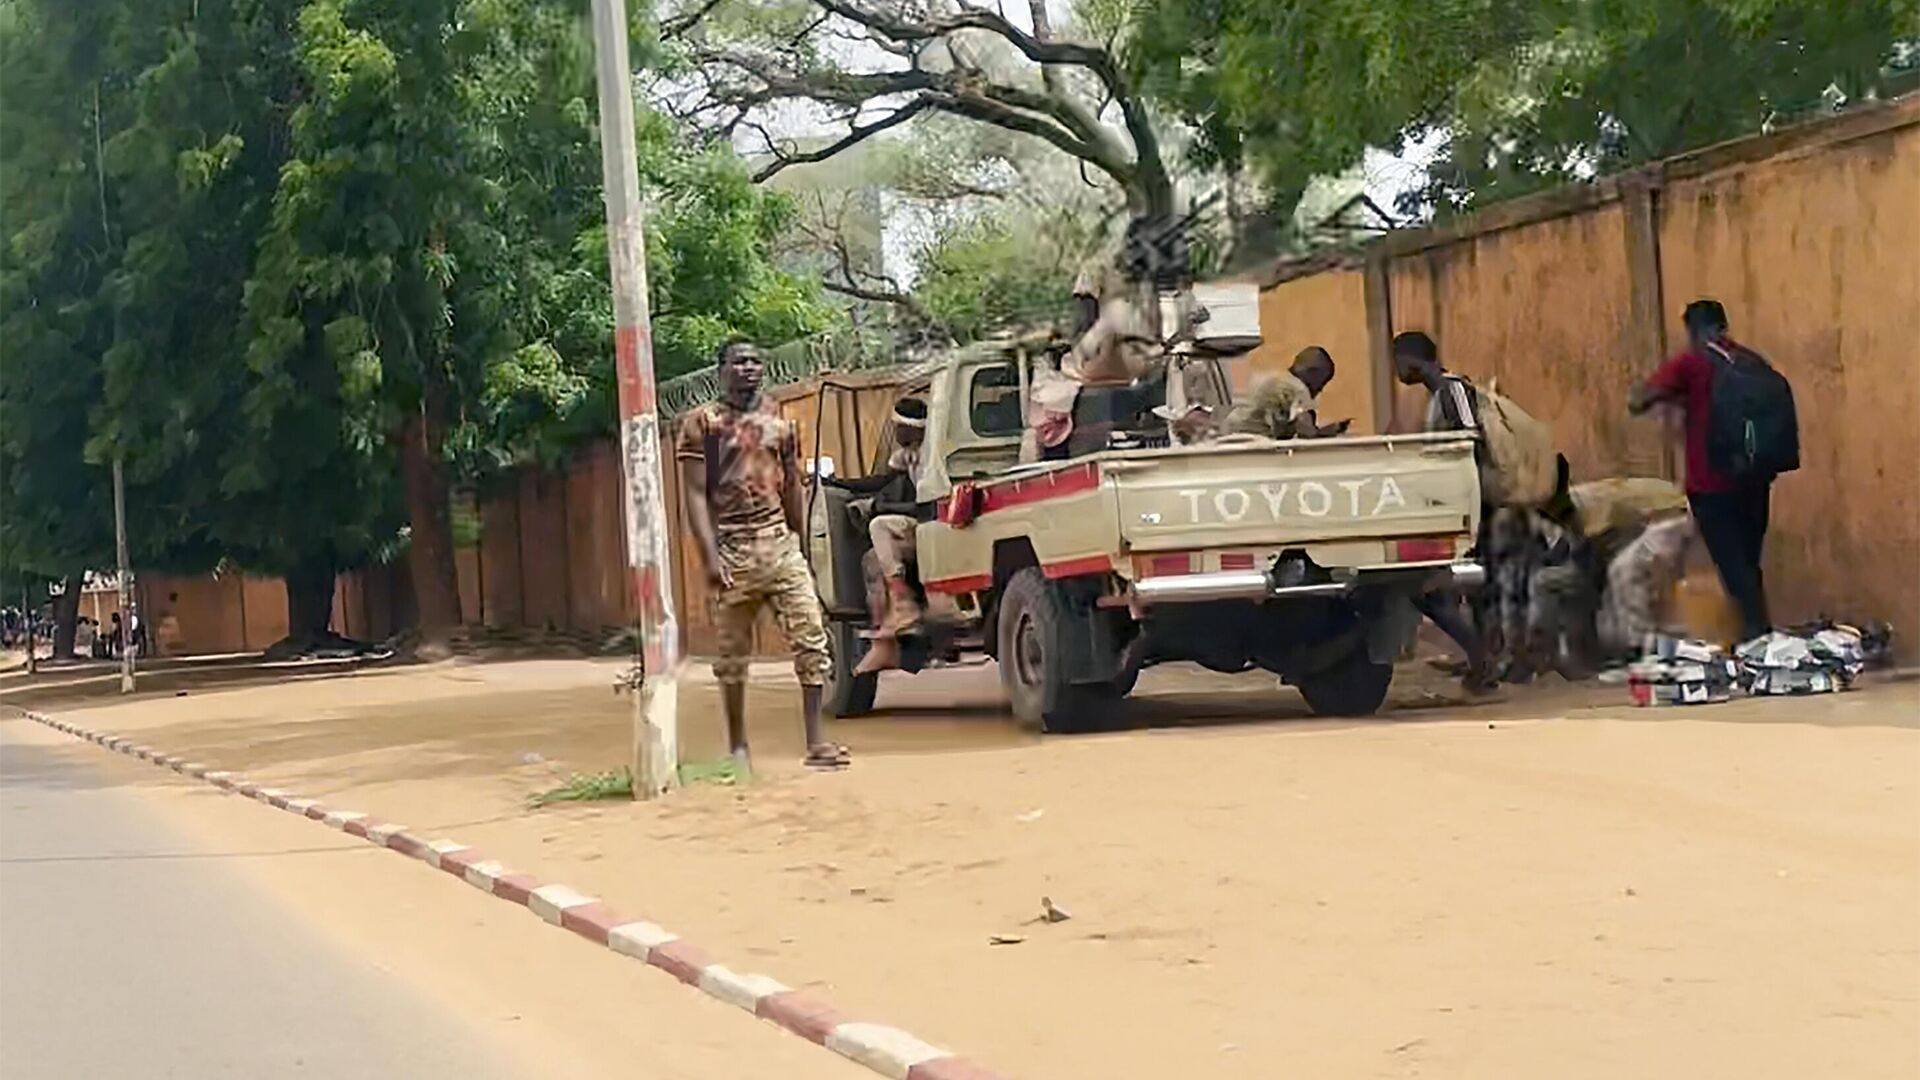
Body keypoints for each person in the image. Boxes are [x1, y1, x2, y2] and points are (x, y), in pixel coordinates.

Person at [677, 338, 842, 771]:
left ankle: (817, 743)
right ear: (722, 369)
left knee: (811, 639)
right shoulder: (705, 424)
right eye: (738, 362)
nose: (748, 368)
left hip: (779, 545)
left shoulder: (780, 424)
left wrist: (800, 543)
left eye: (755, 361)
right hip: (733, 547)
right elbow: (695, 494)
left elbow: (790, 487)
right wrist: (710, 557)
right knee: (732, 656)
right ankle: (738, 747)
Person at [1630, 299, 1774, 642]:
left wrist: (1667, 398)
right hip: (1754, 479)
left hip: (1710, 484)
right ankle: (1756, 633)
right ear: (1724, 325)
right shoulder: (1751, 361)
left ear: (1692, 331)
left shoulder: (1690, 363)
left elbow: (1639, 400)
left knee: (1732, 564)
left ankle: (1757, 636)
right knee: (1749, 562)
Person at [1393, 331, 1495, 693]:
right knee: (1448, 588)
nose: (1397, 371)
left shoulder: (1453, 390)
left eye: (1397, 362)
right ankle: (1480, 659)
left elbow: (1471, 438)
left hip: (1467, 504)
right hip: (1451, 505)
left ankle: (1483, 660)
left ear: (1410, 360)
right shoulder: (1438, 395)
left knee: (1435, 586)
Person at [823, 399, 933, 675]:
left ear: (914, 429)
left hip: (936, 524)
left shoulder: (933, 454)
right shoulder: (906, 454)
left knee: (880, 526)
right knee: (872, 561)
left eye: (899, 427)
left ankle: (905, 609)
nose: (895, 433)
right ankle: (885, 639)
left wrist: (881, 508)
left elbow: (929, 506)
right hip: (921, 527)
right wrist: (839, 483)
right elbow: (881, 481)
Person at [1229, 346, 1352, 439]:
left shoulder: (1273, 378)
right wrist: (1328, 433)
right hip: (1256, 445)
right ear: (1312, 373)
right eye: (1322, 382)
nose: (1320, 389)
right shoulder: (1298, 388)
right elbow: (1307, 434)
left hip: (1232, 437)